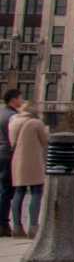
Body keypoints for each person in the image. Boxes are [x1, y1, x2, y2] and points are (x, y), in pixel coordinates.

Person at [6, 100, 46, 238]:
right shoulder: (36, 123)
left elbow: (12, 141)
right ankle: (33, 227)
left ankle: (16, 227)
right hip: (33, 160)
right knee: (36, 192)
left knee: (18, 193)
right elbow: (45, 141)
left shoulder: (14, 122)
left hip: (17, 160)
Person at [0, 88, 20, 238]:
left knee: (2, 190)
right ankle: (3, 224)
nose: (22, 101)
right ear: (13, 99)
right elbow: (14, 139)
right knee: (7, 192)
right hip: (8, 156)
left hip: (1, 154)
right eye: (20, 98)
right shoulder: (13, 116)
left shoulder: (1, 113)